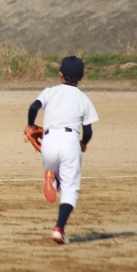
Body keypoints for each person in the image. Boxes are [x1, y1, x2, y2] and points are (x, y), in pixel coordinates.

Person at [26, 56, 99, 244]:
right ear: (81, 77)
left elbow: (34, 107)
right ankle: (59, 229)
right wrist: (83, 143)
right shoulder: (83, 99)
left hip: (49, 142)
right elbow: (88, 131)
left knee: (57, 175)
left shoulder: (50, 92)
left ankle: (51, 177)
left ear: (60, 74)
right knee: (70, 189)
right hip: (70, 141)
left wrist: (31, 125)